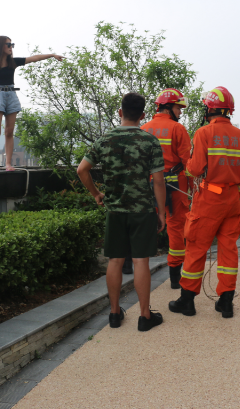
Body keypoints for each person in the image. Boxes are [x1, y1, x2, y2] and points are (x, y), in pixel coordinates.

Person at [76, 92, 166, 332]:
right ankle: (145, 316)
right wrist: (162, 213)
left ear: (120, 112)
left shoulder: (104, 140)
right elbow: (158, 181)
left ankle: (115, 314)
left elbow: (82, 170)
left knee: (115, 260)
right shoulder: (150, 141)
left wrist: (96, 194)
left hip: (115, 210)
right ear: (143, 115)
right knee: (140, 261)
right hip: (142, 211)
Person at [168, 86, 240, 319]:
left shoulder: (204, 133)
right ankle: (226, 303)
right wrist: (234, 194)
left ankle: (187, 301)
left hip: (209, 199)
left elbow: (194, 170)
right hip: (233, 200)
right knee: (228, 252)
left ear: (209, 108)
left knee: (196, 248)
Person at [0, 36, 63, 171]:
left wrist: (52, 55)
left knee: (9, 131)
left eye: (12, 44)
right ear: (1, 46)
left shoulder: (13, 62)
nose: (11, 47)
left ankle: (8, 164)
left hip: (12, 95)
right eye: (8, 44)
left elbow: (34, 58)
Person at [141, 89, 192, 289]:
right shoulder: (178, 129)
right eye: (179, 108)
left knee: (145, 225)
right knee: (176, 227)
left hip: (149, 184)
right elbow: (189, 162)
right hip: (176, 184)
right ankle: (174, 278)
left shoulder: (144, 129)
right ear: (169, 107)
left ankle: (132, 265)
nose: (180, 112)